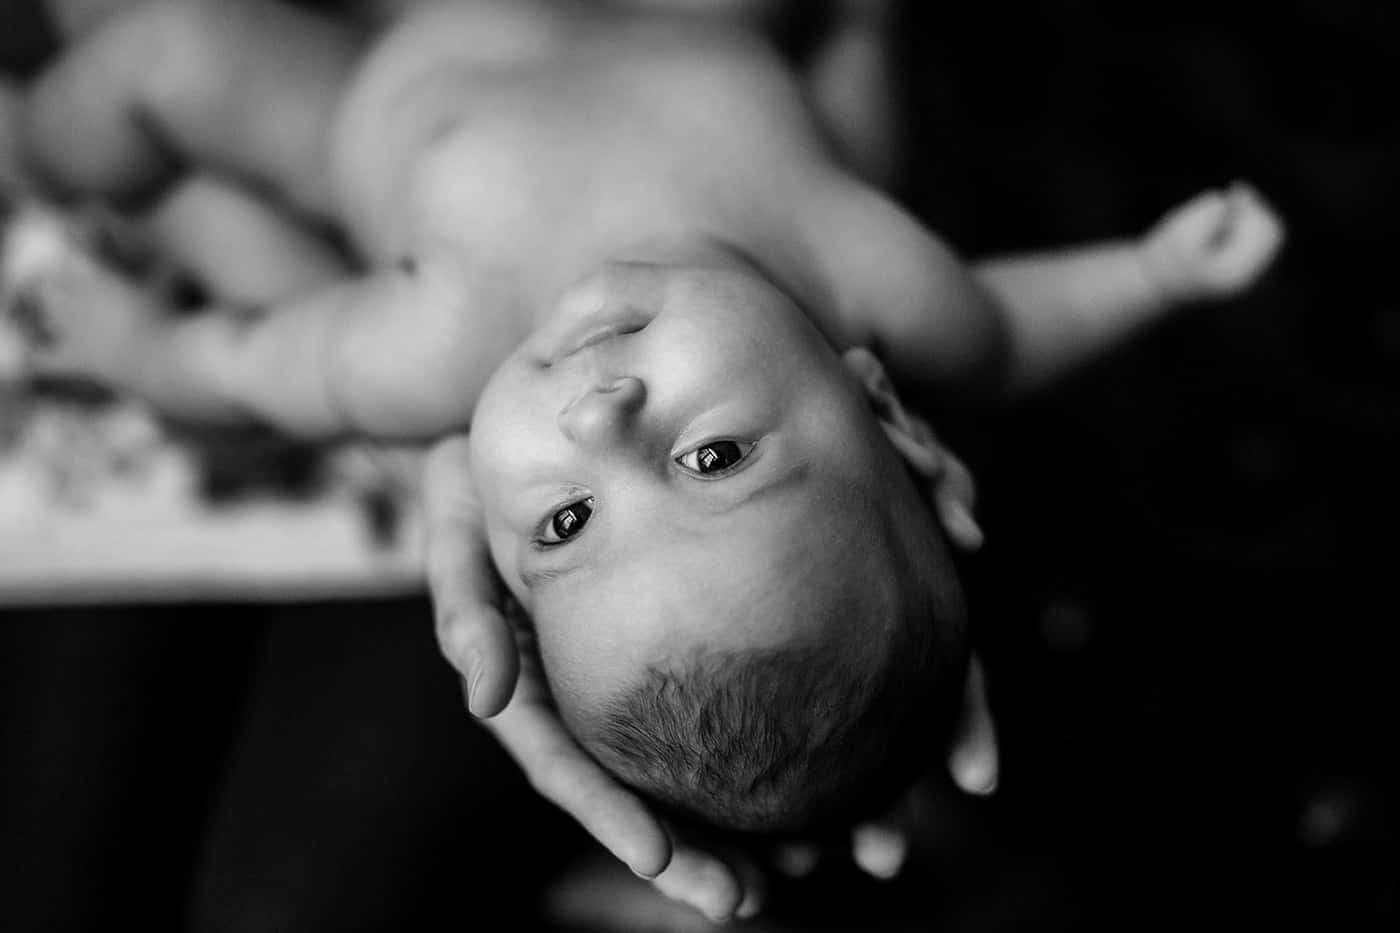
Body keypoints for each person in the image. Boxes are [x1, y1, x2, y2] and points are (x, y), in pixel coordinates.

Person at [1, 0, 1283, 920]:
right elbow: (1009, 334)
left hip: (374, 70)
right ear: (879, 405)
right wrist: (1155, 273)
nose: (597, 425)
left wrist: (140, 345)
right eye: (714, 454)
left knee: (157, 53)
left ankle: (37, 136)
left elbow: (242, 366)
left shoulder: (429, 343)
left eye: (560, 527)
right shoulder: (872, 269)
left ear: (502, 565)